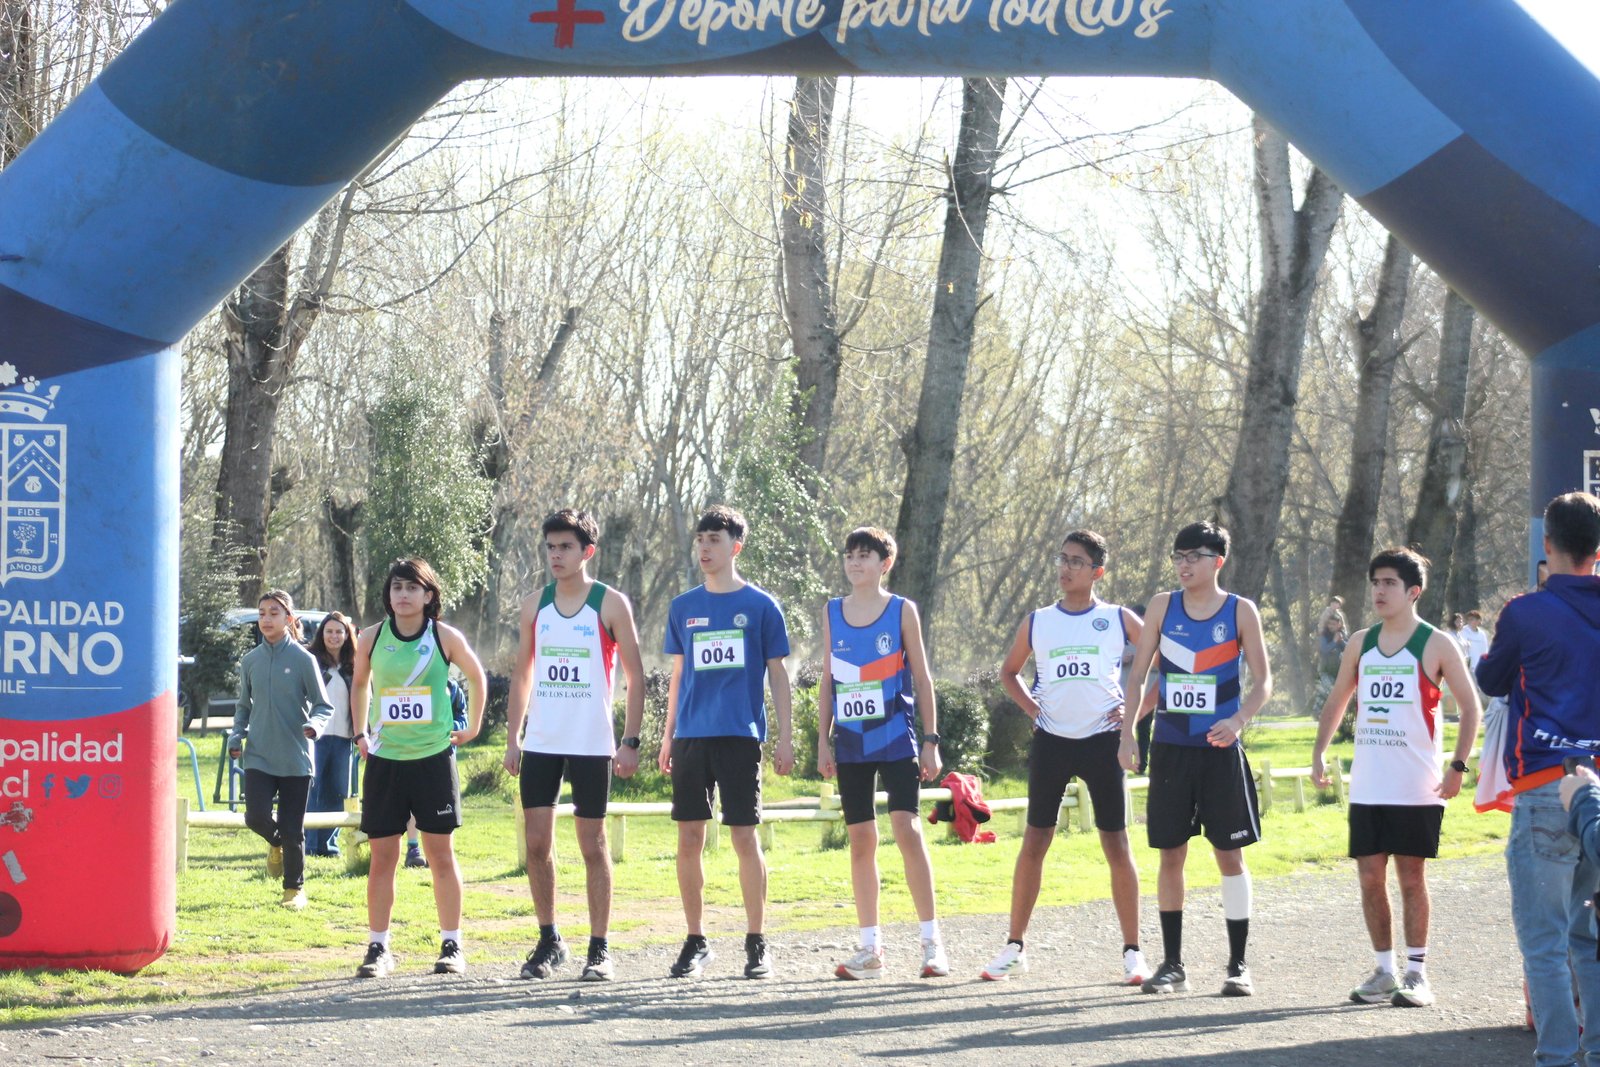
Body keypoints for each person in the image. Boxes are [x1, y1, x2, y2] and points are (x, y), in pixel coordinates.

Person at [1311, 548, 1482, 1008]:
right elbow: (1338, 699)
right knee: (1370, 876)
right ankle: (1384, 971)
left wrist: (1458, 766)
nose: (1379, 591)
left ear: (1413, 592)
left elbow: (1471, 708)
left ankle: (1417, 974)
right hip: (1370, 783)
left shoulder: (1436, 644)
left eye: (1389, 583)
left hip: (1416, 784)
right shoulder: (1360, 642)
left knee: (1410, 877)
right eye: (1375, 582)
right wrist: (1319, 752)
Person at [980, 530, 1147, 985]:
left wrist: (1134, 713)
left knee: (1117, 844)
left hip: (1103, 741)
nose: (1066, 568)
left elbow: (1165, 661)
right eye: (1063, 558)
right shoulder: (1038, 621)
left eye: (1076, 561)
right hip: (1052, 741)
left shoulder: (1117, 618)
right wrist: (1034, 710)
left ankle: (1133, 952)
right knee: (1035, 841)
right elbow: (1009, 673)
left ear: (1097, 572)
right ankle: (1014, 947)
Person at [1118, 521, 1271, 997]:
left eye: (1194, 556)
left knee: (1230, 855)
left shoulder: (1240, 610)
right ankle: (1172, 965)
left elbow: (1264, 681)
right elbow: (1139, 676)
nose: (1184, 565)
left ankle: (1238, 965)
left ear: (1217, 561)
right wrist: (1128, 732)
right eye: (1178, 556)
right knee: (1171, 854)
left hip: (1219, 750)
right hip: (1171, 748)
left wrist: (1239, 720)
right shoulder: (1162, 606)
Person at [1476, 492, 1600, 1067]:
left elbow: (1491, 679)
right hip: (1597, 787)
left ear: (1547, 545)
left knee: (1545, 944)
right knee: (1589, 939)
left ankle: (1555, 1056)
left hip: (1545, 783)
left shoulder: (1525, 612)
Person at [503, 509, 647, 983]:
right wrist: (513, 737)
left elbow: (636, 676)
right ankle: (549, 940)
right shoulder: (534, 605)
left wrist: (630, 741)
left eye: (565, 547)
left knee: (592, 844)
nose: (556, 555)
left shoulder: (610, 604)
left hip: (591, 743)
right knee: (536, 844)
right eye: (550, 547)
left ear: (587, 551)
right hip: (542, 742)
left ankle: (599, 948)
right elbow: (522, 675)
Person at [659, 505, 794, 979]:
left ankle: (757, 942)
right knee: (689, 838)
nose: (704, 548)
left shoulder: (761, 606)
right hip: (690, 738)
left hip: (740, 736)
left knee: (743, 837)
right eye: (700, 539)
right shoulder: (683, 607)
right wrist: (667, 735)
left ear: (736, 546)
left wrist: (785, 737)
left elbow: (778, 675)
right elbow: (678, 676)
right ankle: (695, 940)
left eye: (714, 539)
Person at [815, 526, 948, 981]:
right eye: (850, 555)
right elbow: (829, 680)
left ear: (884, 563)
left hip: (895, 739)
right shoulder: (832, 611)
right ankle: (870, 949)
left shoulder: (901, 610)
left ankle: (932, 944)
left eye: (864, 555)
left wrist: (931, 741)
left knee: (907, 829)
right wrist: (823, 740)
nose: (854, 563)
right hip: (851, 744)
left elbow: (923, 679)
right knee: (861, 840)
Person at [350, 557, 488, 978]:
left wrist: (473, 727)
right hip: (386, 761)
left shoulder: (444, 636)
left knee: (439, 855)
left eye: (412, 588)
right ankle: (378, 947)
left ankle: (452, 944)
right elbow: (360, 684)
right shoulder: (371, 637)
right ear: (388, 595)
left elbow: (477, 676)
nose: (403, 595)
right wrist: (360, 734)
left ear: (429, 595)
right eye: (397, 587)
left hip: (432, 759)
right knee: (382, 858)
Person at [227, 590, 333, 909]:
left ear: (288, 619)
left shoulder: (304, 660)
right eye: (262, 613)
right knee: (255, 817)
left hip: (296, 757)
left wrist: (315, 725)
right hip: (258, 754)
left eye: (274, 613)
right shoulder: (250, 661)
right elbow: (243, 707)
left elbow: (323, 705)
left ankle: (294, 890)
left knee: (292, 828)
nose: (266, 619)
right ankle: (276, 844)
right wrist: (236, 736)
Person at [305, 611, 356, 858]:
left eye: (339, 632)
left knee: (337, 792)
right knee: (313, 790)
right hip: (315, 737)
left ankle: (328, 845)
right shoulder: (311, 662)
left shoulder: (353, 666)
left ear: (346, 635)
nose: (334, 636)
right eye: (329, 631)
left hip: (344, 737)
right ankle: (310, 843)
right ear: (322, 634)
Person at [1459, 610, 1489, 675]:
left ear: (1478, 620)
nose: (1470, 621)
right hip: (1468, 666)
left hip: (1479, 666)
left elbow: (1485, 650)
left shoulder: (1482, 634)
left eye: (1472, 619)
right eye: (1468, 619)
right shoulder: (1463, 631)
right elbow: (1461, 647)